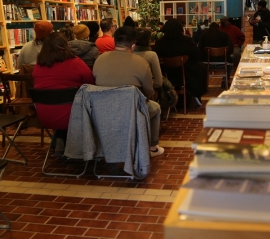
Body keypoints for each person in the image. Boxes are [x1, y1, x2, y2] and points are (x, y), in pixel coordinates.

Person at [92, 26, 164, 157]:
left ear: (115, 41)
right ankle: (152, 147)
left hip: (102, 110)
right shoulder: (141, 62)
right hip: (130, 109)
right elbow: (148, 92)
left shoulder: (99, 59)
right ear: (133, 45)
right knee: (156, 108)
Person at [32, 32, 95, 154]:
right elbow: (91, 83)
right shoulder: (75, 63)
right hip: (72, 116)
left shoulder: (38, 66)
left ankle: (60, 138)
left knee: (63, 105)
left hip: (45, 116)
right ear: (66, 45)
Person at [153, 18, 208, 105]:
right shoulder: (187, 41)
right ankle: (196, 94)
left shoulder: (160, 43)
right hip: (186, 75)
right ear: (180, 28)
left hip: (166, 75)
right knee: (201, 67)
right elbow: (197, 55)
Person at [198, 22, 234, 88]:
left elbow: (200, 49)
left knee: (198, 62)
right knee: (231, 60)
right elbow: (231, 49)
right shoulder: (225, 35)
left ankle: (203, 82)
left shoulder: (203, 35)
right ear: (218, 27)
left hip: (206, 62)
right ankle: (225, 80)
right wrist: (225, 55)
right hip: (223, 62)